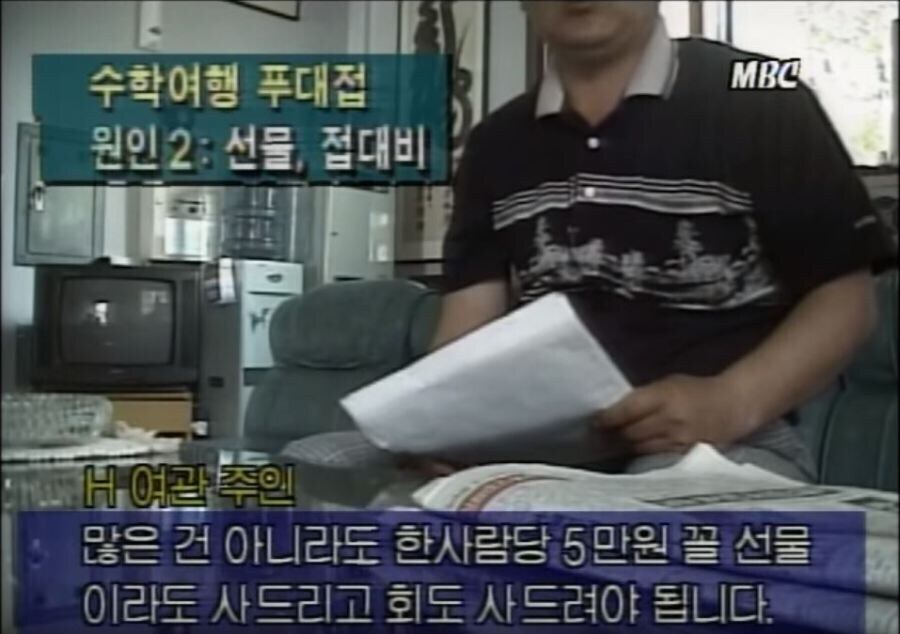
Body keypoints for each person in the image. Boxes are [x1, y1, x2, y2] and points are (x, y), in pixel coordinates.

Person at [433, 0, 896, 481]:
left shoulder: (763, 95)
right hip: (540, 450)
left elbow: (846, 301)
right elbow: (465, 327)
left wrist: (730, 402)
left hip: (725, 441)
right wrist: (438, 423)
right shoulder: (494, 142)